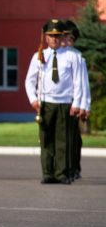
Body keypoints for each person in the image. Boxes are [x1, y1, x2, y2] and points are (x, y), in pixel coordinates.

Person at [24, 19, 83, 185]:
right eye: (51, 35)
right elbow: (29, 80)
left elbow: (78, 81)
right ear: (46, 38)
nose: (54, 39)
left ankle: (61, 173)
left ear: (62, 37)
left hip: (65, 103)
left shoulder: (72, 56)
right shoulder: (39, 55)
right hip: (46, 103)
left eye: (57, 35)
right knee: (46, 139)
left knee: (63, 140)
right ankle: (48, 173)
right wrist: (33, 100)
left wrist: (76, 103)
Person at [61, 20, 90, 180]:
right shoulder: (53, 55)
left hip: (74, 102)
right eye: (63, 37)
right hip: (58, 101)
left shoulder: (78, 57)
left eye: (69, 38)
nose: (65, 42)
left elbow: (83, 84)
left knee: (73, 138)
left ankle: (73, 167)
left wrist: (84, 105)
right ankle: (62, 168)